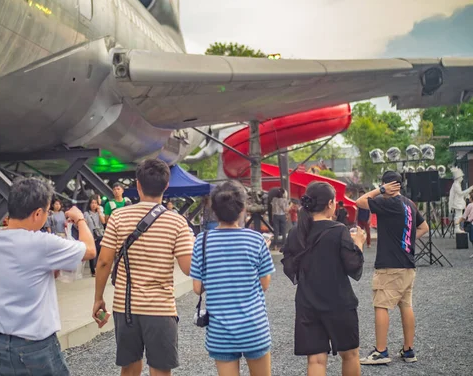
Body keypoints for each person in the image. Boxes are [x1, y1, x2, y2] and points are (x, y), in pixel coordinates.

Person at [0, 177, 96, 376]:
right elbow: (90, 250)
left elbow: (13, 272)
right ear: (37, 213)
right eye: (47, 211)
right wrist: (80, 219)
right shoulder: (42, 243)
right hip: (35, 346)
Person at [92, 159, 194, 376]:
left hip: (125, 306)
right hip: (161, 308)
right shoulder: (176, 222)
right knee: (159, 369)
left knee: (129, 366)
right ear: (166, 186)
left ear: (138, 185)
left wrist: (98, 298)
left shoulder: (118, 217)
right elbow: (188, 268)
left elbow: (103, 261)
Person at [190, 181, 274, 376]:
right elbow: (264, 284)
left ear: (213, 208)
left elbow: (197, 288)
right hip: (254, 327)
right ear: (243, 209)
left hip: (221, 331)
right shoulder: (256, 240)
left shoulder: (202, 242)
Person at [284, 182, 365, 376]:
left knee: (316, 359)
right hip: (339, 301)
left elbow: (290, 266)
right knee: (351, 354)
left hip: (307, 302)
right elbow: (353, 266)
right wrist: (359, 243)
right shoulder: (339, 230)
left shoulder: (296, 232)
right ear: (330, 203)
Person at [356, 171, 429, 366]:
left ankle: (381, 351)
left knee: (381, 304)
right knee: (405, 305)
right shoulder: (409, 204)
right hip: (407, 264)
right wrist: (406, 239)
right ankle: (408, 350)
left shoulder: (388, 202)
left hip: (390, 264)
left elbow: (361, 202)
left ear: (387, 185)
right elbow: (425, 228)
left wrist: (380, 190)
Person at [85, 194, 106, 277]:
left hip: (100, 234)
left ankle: (99, 269)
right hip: (91, 235)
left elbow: (103, 222)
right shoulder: (86, 214)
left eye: (95, 203)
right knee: (93, 254)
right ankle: (93, 270)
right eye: (92, 203)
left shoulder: (99, 212)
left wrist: (100, 212)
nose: (93, 205)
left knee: (100, 252)